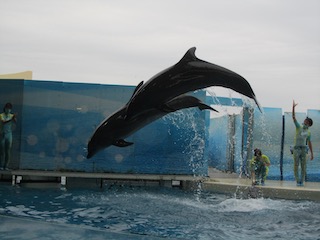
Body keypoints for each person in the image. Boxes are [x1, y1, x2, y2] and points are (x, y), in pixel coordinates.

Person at [292, 100, 313, 186]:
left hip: (304, 149)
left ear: (309, 124)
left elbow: (309, 142)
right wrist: (293, 108)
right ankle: (297, 181)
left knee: (303, 166)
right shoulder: (298, 127)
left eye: (307, 122)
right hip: (296, 148)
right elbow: (293, 117)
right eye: (305, 121)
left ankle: (302, 180)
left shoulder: (308, 132)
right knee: (296, 165)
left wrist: (312, 153)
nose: (305, 122)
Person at [0, 103, 17, 170]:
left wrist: (14, 118)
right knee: (2, 151)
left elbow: (15, 122)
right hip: (2, 134)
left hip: (9, 134)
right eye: (7, 108)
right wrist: (11, 119)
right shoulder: (1, 115)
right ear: (5, 108)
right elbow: (3, 122)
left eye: (9, 108)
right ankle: (1, 165)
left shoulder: (11, 115)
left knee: (8, 150)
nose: (8, 109)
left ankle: (6, 166)